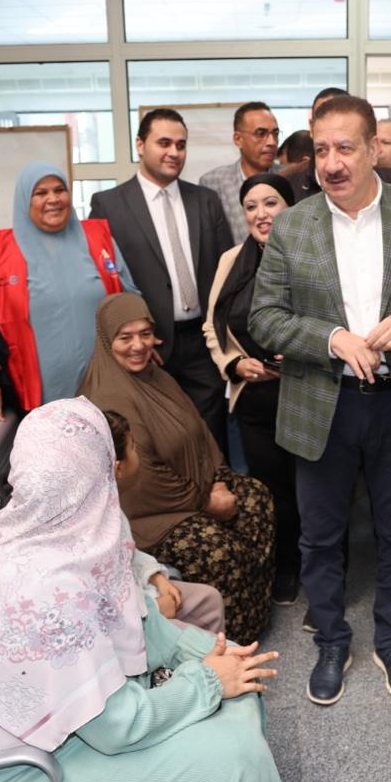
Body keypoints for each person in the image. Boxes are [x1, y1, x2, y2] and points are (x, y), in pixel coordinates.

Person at [0, 397, 294, 782]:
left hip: (73, 732)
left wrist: (210, 653)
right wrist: (206, 681)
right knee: (234, 760)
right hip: (24, 772)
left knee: (238, 693)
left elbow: (140, 621)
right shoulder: (41, 586)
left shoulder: (62, 535)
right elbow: (114, 729)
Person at [250, 95, 391, 706]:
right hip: (322, 403)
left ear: (375, 149)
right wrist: (331, 338)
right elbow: (264, 318)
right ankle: (331, 641)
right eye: (322, 149)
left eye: (345, 148)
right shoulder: (293, 225)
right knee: (321, 537)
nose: (331, 162)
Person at [80, 293, 275, 645]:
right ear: (107, 341)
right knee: (216, 548)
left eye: (145, 334)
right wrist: (206, 502)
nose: (138, 346)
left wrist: (218, 479)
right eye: (125, 338)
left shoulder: (155, 375)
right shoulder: (109, 397)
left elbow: (199, 429)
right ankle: (226, 644)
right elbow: (143, 477)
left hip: (193, 487)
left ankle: (253, 619)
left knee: (255, 498)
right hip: (149, 515)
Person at [90, 110, 233, 450]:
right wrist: (135, 338)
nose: (174, 152)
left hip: (202, 342)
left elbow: (226, 271)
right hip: (146, 346)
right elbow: (106, 283)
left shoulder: (206, 200)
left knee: (211, 436)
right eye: (164, 143)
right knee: (156, 441)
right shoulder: (109, 204)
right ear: (140, 145)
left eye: (181, 145)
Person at [0, 162, 139, 429]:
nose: (53, 199)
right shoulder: (1, 251)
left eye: (60, 190)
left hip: (109, 383)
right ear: (25, 200)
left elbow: (129, 297)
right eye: (40, 193)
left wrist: (143, 339)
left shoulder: (98, 238)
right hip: (42, 395)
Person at [202, 172, 302, 606]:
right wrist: (233, 363)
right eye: (251, 206)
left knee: (314, 490)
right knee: (270, 488)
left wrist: (299, 357)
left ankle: (324, 570)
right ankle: (286, 566)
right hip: (254, 398)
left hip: (305, 395)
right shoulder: (231, 260)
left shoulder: (312, 254)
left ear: (290, 207)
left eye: (271, 202)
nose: (261, 214)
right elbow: (212, 324)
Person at [103, 408, 226, 635]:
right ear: (118, 468)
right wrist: (154, 608)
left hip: (142, 592)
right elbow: (105, 607)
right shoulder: (92, 530)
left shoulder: (108, 504)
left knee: (209, 599)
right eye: (133, 447)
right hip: (128, 625)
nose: (137, 452)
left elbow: (129, 554)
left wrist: (157, 577)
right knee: (199, 641)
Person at [199, 101, 281, 243]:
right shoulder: (214, 182)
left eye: (275, 133)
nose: (271, 142)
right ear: (238, 139)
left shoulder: (291, 177)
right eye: (261, 133)